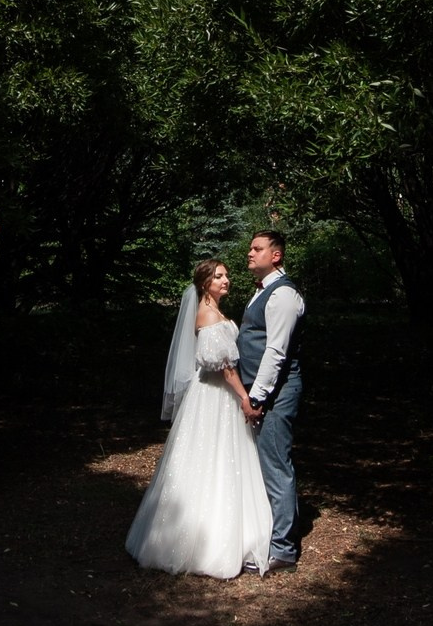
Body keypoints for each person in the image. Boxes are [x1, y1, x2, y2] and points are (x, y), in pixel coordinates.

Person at [125, 259, 273, 578]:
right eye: (219, 276)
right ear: (205, 283)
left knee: (224, 459)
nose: (226, 280)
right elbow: (223, 366)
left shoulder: (215, 312)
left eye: (227, 275)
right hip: (214, 397)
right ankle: (201, 542)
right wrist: (244, 397)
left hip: (219, 397)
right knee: (209, 458)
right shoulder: (206, 315)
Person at [238, 229, 304, 569]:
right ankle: (266, 536)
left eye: (257, 248)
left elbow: (276, 352)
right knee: (263, 465)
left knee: (276, 466)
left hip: (275, 395)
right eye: (251, 248)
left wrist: (257, 395)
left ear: (275, 255)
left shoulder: (283, 295)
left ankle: (283, 550)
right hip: (258, 392)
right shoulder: (261, 292)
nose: (250, 253)